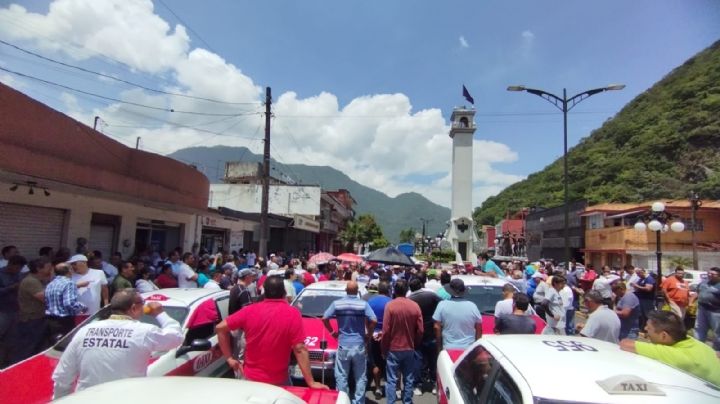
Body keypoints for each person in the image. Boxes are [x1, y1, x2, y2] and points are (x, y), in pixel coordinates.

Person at [51, 288, 184, 398]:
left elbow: (63, 376)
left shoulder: (85, 331)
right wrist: (160, 314)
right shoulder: (143, 332)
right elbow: (176, 337)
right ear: (133, 308)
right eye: (142, 304)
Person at [216, 276, 328, 389]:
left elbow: (220, 328)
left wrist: (229, 358)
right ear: (284, 292)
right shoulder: (292, 313)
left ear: (264, 292)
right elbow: (299, 349)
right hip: (279, 381)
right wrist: (311, 382)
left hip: (250, 379)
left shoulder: (249, 310)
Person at [620, 311, 720, 386]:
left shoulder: (676, 355)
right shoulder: (692, 341)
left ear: (664, 336)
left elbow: (625, 344)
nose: (645, 329)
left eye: (648, 327)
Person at [322, 281, 376, 404]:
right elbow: (373, 320)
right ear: (357, 291)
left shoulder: (337, 303)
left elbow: (324, 318)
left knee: (341, 376)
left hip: (343, 344)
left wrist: (332, 332)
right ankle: (359, 401)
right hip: (359, 344)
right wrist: (369, 335)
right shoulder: (363, 304)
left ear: (346, 290)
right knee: (360, 376)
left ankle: (343, 400)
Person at [381, 279, 423, 404]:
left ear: (394, 290)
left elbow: (386, 331)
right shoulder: (415, 306)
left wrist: (384, 348)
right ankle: (407, 401)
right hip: (409, 347)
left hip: (393, 348)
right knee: (409, 378)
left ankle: (391, 402)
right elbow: (420, 330)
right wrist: (415, 343)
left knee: (391, 379)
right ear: (406, 291)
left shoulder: (390, 306)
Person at [12, 257, 54, 363]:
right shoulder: (31, 281)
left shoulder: (38, 281)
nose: (51, 269)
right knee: (27, 349)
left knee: (36, 348)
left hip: (38, 318)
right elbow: (45, 298)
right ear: (39, 269)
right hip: (31, 321)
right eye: (48, 267)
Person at [408, 276, 441, 396]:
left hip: (417, 333)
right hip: (432, 332)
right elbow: (442, 305)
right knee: (433, 360)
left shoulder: (410, 299)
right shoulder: (431, 296)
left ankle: (418, 385)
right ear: (421, 285)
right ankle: (433, 383)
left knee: (418, 360)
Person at [433, 278, 482, 351]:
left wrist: (439, 347)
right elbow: (478, 327)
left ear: (449, 291)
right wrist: (477, 348)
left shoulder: (442, 305)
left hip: (448, 348)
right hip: (468, 349)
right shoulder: (472, 306)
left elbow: (437, 327)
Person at [45, 263, 87, 340]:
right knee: (65, 345)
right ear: (69, 271)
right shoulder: (69, 283)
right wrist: (83, 307)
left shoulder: (50, 284)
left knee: (54, 344)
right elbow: (69, 303)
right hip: (64, 321)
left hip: (50, 320)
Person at [0, 255, 26, 366]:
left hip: (15, 310)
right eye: (17, 268)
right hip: (2, 311)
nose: (18, 271)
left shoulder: (19, 275)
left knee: (12, 339)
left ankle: (7, 363)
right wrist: (11, 287)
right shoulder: (1, 274)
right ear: (11, 264)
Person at [368, 280, 392, 398]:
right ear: (388, 290)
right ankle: (390, 387)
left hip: (373, 335)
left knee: (376, 363)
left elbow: (367, 319)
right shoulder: (391, 302)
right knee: (389, 363)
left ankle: (377, 388)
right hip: (387, 336)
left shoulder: (370, 302)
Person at [695, 267, 720, 351]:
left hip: (715, 312)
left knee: (717, 331)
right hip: (702, 309)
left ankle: (717, 350)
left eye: (712, 274)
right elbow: (697, 292)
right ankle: (699, 348)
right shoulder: (704, 282)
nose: (710, 275)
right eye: (709, 273)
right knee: (699, 329)